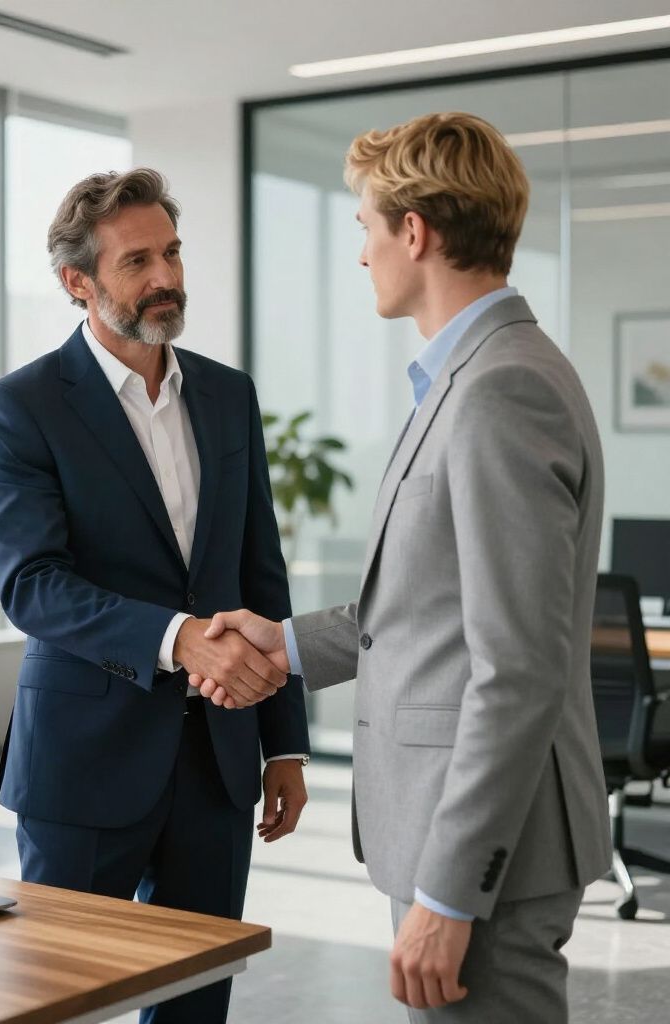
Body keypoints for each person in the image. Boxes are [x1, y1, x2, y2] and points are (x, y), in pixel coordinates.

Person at [192, 112, 611, 1023]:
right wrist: (285, 642)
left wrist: (453, 892)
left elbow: (519, 668)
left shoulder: (502, 389)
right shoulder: (473, 379)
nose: (362, 255)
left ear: (413, 232)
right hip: (456, 822)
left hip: (485, 848)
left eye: (366, 229)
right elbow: (429, 609)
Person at [0, 168, 310, 1024]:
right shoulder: (20, 408)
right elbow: (32, 585)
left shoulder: (229, 396)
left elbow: (259, 574)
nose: (166, 277)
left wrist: (286, 746)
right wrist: (180, 637)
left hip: (218, 760)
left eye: (171, 252)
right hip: (84, 759)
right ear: (77, 283)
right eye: (137, 262)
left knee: (196, 1002)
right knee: (55, 997)